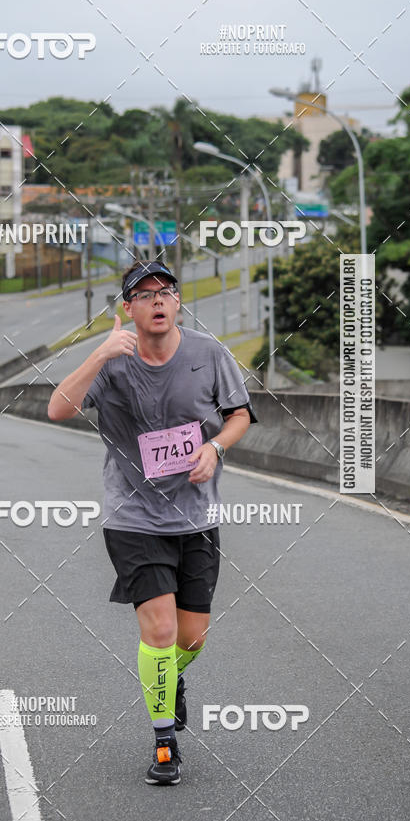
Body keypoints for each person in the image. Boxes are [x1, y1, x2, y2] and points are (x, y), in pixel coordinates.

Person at [48, 260, 256, 786]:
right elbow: (57, 409)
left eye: (166, 291)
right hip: (133, 517)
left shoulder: (208, 354)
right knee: (159, 631)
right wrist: (98, 352)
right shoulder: (111, 361)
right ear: (129, 308)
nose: (158, 300)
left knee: (191, 638)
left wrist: (213, 447)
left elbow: (240, 415)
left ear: (177, 302)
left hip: (196, 516)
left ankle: (166, 680)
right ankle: (164, 741)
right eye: (145, 294)